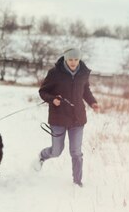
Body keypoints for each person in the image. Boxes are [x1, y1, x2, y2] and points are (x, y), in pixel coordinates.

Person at [35, 48, 100, 186]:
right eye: (70, 59)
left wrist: (92, 102)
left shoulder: (83, 73)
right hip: (58, 118)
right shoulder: (55, 73)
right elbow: (43, 91)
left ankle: (77, 182)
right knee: (56, 151)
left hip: (77, 119)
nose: (73, 62)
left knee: (76, 152)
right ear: (65, 59)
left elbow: (85, 90)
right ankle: (42, 156)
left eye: (76, 59)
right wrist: (52, 99)